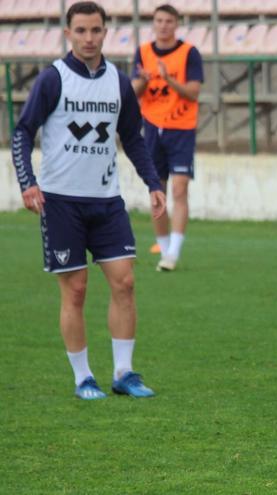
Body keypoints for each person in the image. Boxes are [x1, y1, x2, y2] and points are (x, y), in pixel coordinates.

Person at [10, 1, 166, 400]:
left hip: (106, 199)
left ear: (105, 32)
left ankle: (124, 373)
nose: (89, 38)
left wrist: (153, 182)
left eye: (95, 30)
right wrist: (28, 182)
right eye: (80, 31)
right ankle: (83, 377)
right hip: (61, 201)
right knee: (76, 289)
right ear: (68, 34)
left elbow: (132, 137)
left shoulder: (118, 81)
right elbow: (23, 132)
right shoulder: (53, 79)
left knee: (125, 283)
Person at [131, 3, 203, 272]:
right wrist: (144, 80)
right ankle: (162, 246)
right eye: (159, 21)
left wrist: (168, 79)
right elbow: (132, 91)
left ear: (176, 24)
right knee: (157, 190)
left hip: (181, 128)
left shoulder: (189, 53)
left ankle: (173, 252)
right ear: (154, 23)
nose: (163, 26)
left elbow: (193, 92)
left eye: (169, 21)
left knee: (180, 188)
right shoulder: (143, 52)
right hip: (151, 127)